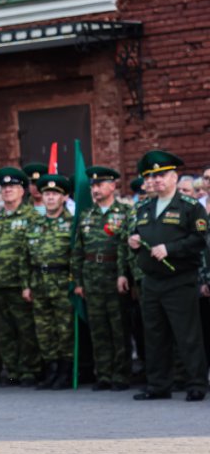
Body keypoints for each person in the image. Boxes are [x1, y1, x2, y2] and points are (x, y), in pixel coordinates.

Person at [130, 151, 209, 401]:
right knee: (154, 334)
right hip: (151, 280)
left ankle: (196, 383)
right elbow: (136, 233)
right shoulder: (144, 207)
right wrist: (133, 241)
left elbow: (200, 238)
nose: (156, 181)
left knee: (187, 334)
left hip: (180, 279)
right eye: (152, 177)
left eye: (162, 175)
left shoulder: (190, 207)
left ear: (174, 177)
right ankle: (158, 385)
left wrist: (170, 249)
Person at [72, 166, 133, 391]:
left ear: (113, 186)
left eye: (100, 185)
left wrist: (122, 275)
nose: (95, 190)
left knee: (118, 328)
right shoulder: (87, 215)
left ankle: (121, 375)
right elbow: (78, 250)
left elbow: (126, 249)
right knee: (98, 329)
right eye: (93, 186)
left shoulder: (125, 213)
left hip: (114, 277)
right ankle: (104, 374)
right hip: (92, 278)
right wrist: (78, 281)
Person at [0, 167, 40, 386]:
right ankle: (12, 370)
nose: (7, 191)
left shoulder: (31, 216)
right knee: (4, 331)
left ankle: (29, 370)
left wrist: (29, 283)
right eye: (4, 188)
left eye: (12, 187)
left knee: (25, 329)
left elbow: (34, 252)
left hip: (19, 283)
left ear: (22, 191)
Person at [23, 175, 75, 390]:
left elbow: (76, 256)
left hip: (62, 282)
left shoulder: (71, 223)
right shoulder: (34, 224)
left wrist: (75, 282)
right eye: (47, 194)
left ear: (64, 197)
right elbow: (24, 257)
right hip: (39, 282)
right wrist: (26, 284)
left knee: (64, 330)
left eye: (55, 194)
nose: (50, 197)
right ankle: (51, 371)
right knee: (44, 330)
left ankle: (65, 372)